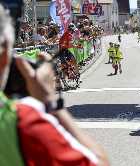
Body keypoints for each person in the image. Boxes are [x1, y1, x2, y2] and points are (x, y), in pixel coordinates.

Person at [0, 4, 109, 166]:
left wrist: (77, 45)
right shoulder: (19, 119)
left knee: (72, 61)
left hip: (66, 49)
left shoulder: (69, 34)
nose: (72, 31)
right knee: (68, 60)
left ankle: (71, 70)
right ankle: (67, 71)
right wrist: (49, 99)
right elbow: (66, 45)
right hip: (62, 51)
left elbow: (71, 43)